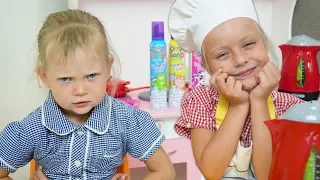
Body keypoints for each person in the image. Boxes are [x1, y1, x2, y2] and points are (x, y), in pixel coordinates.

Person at [0, 9, 175, 180]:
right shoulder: (33, 128)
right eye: (66, 78)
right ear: (44, 76)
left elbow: (166, 172)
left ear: (108, 68)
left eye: (91, 76)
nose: (80, 91)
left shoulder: (126, 120)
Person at [168, 0, 304, 179]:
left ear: (264, 44)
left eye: (248, 44)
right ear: (207, 66)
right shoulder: (200, 100)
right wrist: (237, 106)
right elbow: (211, 171)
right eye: (222, 54)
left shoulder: (290, 107)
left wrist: (259, 100)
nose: (240, 60)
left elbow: (267, 175)